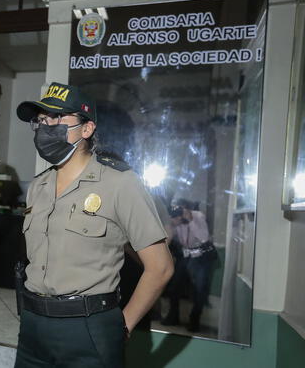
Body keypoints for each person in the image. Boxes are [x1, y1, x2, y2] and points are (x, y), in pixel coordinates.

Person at [13, 82, 174, 368]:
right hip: (33, 325)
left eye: (57, 118)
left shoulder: (119, 183)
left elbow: (160, 267)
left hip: (88, 327)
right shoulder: (38, 185)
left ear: (87, 129)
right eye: (40, 120)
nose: (45, 126)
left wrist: (123, 325)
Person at [162, 200, 216, 332]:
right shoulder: (174, 220)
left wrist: (190, 220)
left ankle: (194, 320)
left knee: (200, 288)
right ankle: (173, 316)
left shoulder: (198, 216)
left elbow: (204, 238)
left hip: (202, 254)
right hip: (186, 254)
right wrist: (171, 224)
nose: (177, 217)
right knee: (174, 285)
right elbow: (168, 238)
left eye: (180, 212)